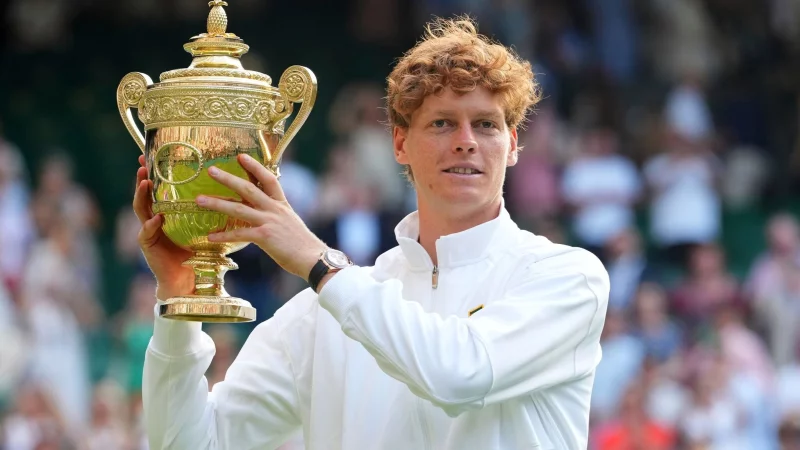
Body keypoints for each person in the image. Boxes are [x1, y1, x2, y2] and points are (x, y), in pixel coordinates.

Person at [135, 18, 609, 450]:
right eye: (442, 122)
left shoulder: (567, 277)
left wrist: (319, 263)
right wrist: (178, 304)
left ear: (512, 145)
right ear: (400, 143)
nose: (466, 140)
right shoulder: (321, 314)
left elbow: (460, 374)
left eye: (486, 124)